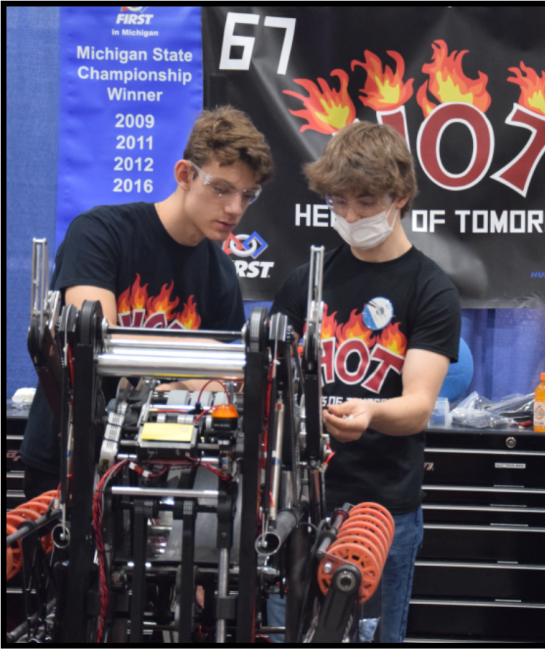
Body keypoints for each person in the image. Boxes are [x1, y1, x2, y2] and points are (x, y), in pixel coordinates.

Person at [20, 105, 275, 500]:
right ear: (185, 175)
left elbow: (213, 387)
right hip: (67, 462)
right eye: (222, 188)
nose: (235, 209)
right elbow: (97, 343)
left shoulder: (221, 273)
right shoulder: (102, 233)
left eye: (248, 195)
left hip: (157, 472)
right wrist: (199, 354)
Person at [268, 121, 461, 642]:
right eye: (339, 202)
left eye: (366, 201)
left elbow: (418, 405)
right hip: (296, 505)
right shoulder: (304, 282)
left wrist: (372, 412)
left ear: (400, 197)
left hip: (382, 508)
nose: (350, 216)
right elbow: (270, 381)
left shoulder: (431, 291)